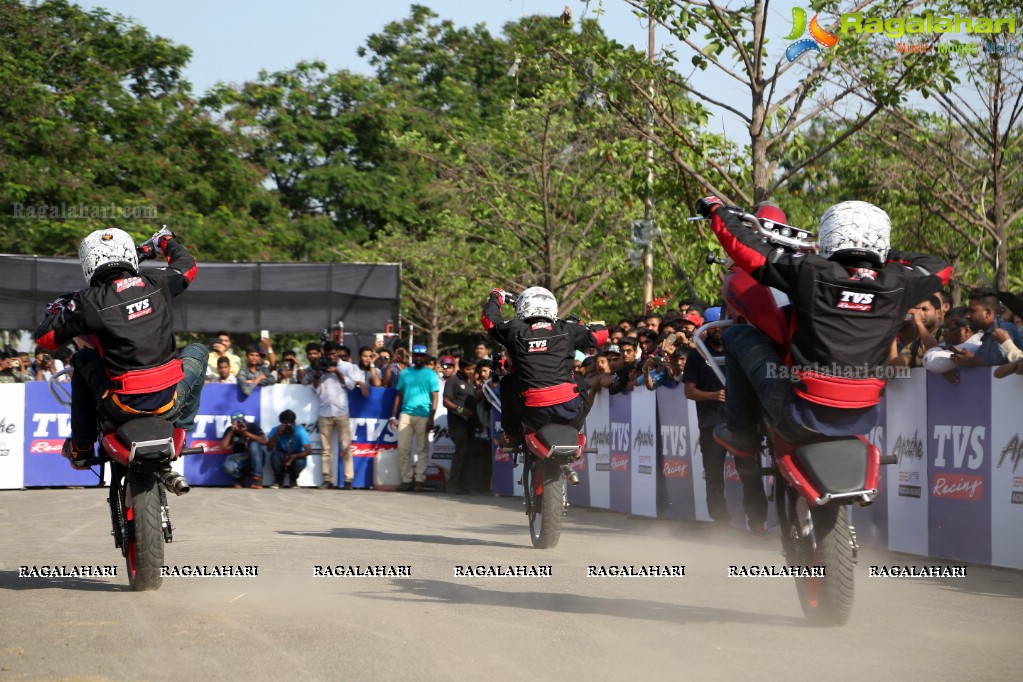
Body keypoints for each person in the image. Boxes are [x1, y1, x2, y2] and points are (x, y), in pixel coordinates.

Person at [695, 198, 951, 456]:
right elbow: (941, 268)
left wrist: (717, 210)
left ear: (830, 233)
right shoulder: (899, 282)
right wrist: (884, 254)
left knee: (738, 334)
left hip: (802, 411)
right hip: (864, 415)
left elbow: (748, 251)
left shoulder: (812, 271)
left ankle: (741, 432)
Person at [34, 226, 209, 469]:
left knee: (83, 357)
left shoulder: (87, 301)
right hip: (169, 399)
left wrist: (58, 311)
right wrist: (165, 241)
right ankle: (183, 426)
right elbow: (187, 265)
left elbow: (45, 338)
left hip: (121, 405)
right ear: (129, 256)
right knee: (198, 351)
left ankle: (82, 447)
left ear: (88, 263)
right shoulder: (158, 282)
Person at [482, 286, 608, 450]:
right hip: (571, 412)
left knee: (508, 381)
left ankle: (511, 434)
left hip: (533, 414)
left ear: (522, 307)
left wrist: (497, 296)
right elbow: (602, 333)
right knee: (577, 378)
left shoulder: (513, 329)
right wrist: (580, 325)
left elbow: (488, 318)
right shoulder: (567, 329)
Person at [682, 307, 767, 531]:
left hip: (742, 423)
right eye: (714, 327)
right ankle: (722, 523)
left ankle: (757, 522)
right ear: (706, 329)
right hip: (711, 423)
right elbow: (689, 391)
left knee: (750, 472)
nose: (719, 331)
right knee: (714, 475)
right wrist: (712, 395)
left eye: (723, 326)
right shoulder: (696, 354)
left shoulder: (742, 349)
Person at [313, 340, 366, 489]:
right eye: (328, 354)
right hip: (324, 411)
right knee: (326, 449)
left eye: (333, 353)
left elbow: (351, 385)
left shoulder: (347, 367)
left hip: (341, 411)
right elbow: (315, 389)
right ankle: (327, 479)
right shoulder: (321, 365)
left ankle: (348, 480)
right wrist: (318, 373)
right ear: (325, 353)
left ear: (338, 352)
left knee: (346, 447)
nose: (331, 356)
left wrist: (336, 371)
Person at [389, 344, 440, 491]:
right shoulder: (405, 373)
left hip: (424, 414)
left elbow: (435, 397)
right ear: (413, 356)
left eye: (421, 355)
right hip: (406, 413)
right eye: (416, 355)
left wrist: (432, 417)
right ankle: (406, 480)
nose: (419, 358)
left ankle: (419, 480)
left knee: (422, 449)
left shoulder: (431, 374)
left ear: (425, 357)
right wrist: (393, 415)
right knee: (403, 448)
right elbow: (398, 395)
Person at [442, 356, 479, 494]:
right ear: (461, 368)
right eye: (468, 369)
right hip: (457, 424)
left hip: (471, 424)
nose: (471, 371)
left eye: (473, 369)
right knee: (461, 454)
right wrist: (461, 410)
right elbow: (446, 401)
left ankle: (466, 485)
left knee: (470, 454)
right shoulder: (453, 381)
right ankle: (452, 484)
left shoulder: (472, 381)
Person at [221, 411, 267, 488]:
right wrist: (230, 433)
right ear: (232, 423)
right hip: (240, 459)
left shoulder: (252, 426)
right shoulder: (230, 430)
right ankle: (241, 478)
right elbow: (222, 448)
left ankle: (257, 478)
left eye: (241, 422)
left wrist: (245, 433)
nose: (240, 425)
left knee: (254, 445)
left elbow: (264, 441)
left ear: (245, 420)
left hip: (255, 458)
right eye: (237, 423)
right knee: (228, 464)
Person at [267, 409, 312, 488]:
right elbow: (269, 448)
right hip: (282, 454)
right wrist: (277, 434)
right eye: (285, 423)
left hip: (296, 455)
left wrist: (294, 457)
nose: (288, 426)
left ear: (294, 422)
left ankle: (293, 481)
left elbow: (309, 451)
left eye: (290, 423)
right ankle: (278, 480)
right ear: (281, 423)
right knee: (275, 456)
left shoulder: (300, 430)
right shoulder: (276, 430)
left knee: (300, 461)